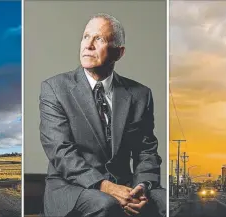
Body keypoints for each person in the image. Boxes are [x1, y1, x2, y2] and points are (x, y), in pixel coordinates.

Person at [39, 13, 166, 217]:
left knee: (166, 204)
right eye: (85, 36)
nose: (88, 45)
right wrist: (108, 188)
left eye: (98, 39)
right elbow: (60, 151)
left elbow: (146, 151)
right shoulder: (55, 89)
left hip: (126, 185)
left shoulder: (140, 94)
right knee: (106, 205)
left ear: (119, 52)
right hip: (72, 188)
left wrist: (142, 185)